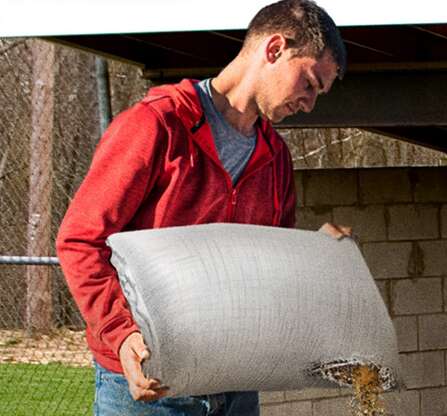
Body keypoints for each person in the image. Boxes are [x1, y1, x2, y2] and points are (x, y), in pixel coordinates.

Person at [55, 1, 349, 414]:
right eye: (310, 83)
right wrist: (122, 335)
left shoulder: (275, 157)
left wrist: (316, 253)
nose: (310, 103)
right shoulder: (158, 125)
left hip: (234, 385)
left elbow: (267, 265)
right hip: (150, 384)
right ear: (275, 48)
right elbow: (81, 241)